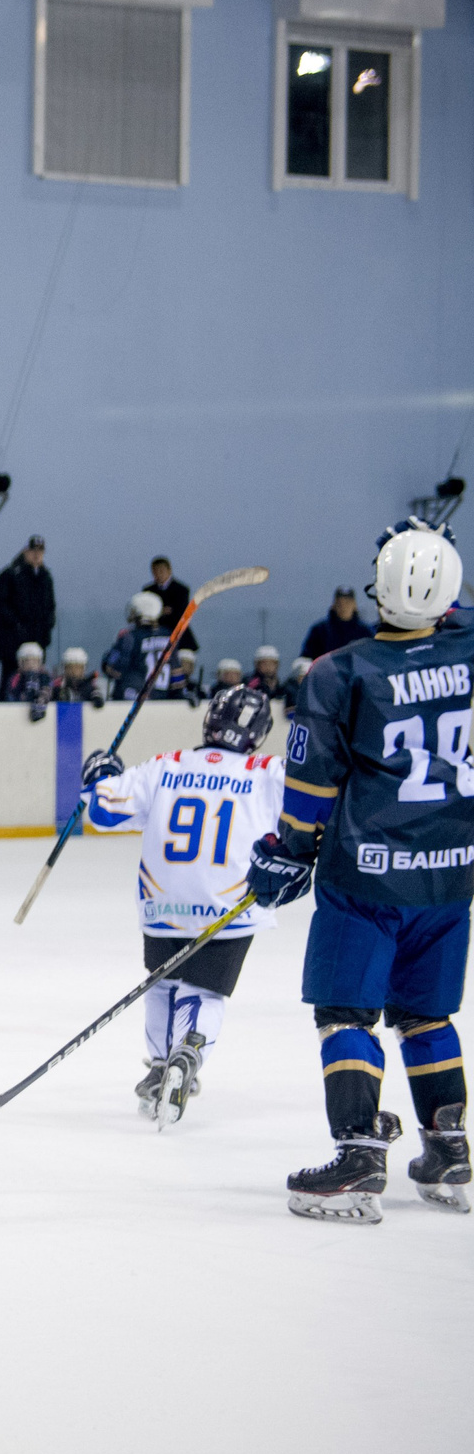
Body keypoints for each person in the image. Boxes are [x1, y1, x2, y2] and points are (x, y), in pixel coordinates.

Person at [249, 520, 474, 1222]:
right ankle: (449, 1148)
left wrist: (288, 850)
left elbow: (311, 781)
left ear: (378, 585)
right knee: (425, 1012)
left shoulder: (339, 671)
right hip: (451, 874)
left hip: (367, 876)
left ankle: (356, 1157)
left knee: (346, 1011)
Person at [82, 686, 284, 1125]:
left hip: (163, 902)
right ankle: (186, 1054)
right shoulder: (269, 772)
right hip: (229, 906)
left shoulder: (166, 765)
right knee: (204, 992)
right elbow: (313, 814)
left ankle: (158, 1067)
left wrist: (98, 774)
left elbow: (102, 811)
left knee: (161, 982)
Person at [0, 535, 56, 700]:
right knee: (10, 683)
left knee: (38, 683)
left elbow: (50, 606)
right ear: (25, 552)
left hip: (37, 643)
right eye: (33, 551)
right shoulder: (11, 574)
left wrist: (48, 626)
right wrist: (16, 624)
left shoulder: (45, 577)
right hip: (13, 645)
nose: (36, 555)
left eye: (40, 551)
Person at [102, 590, 171, 699]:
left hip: (133, 696)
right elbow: (177, 674)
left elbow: (114, 668)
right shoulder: (169, 636)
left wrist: (106, 662)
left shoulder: (130, 637)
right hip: (162, 698)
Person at [300, 587, 372, 659]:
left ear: (354, 605)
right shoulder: (320, 631)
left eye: (347, 603)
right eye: (339, 603)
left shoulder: (365, 632)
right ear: (333, 605)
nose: (343, 607)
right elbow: (306, 657)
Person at [143, 557, 196, 651]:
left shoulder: (181, 589)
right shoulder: (148, 590)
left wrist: (159, 613)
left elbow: (181, 613)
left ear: (169, 570)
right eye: (155, 572)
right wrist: (162, 611)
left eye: (161, 571)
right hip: (155, 636)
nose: (158, 574)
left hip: (178, 635)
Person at [4, 640, 55, 719]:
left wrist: (40, 698)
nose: (31, 666)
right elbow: (10, 696)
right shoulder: (16, 678)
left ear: (40, 663)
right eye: (27, 662)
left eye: (34, 661)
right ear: (21, 663)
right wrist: (24, 696)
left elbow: (50, 692)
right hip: (18, 716)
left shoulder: (45, 677)